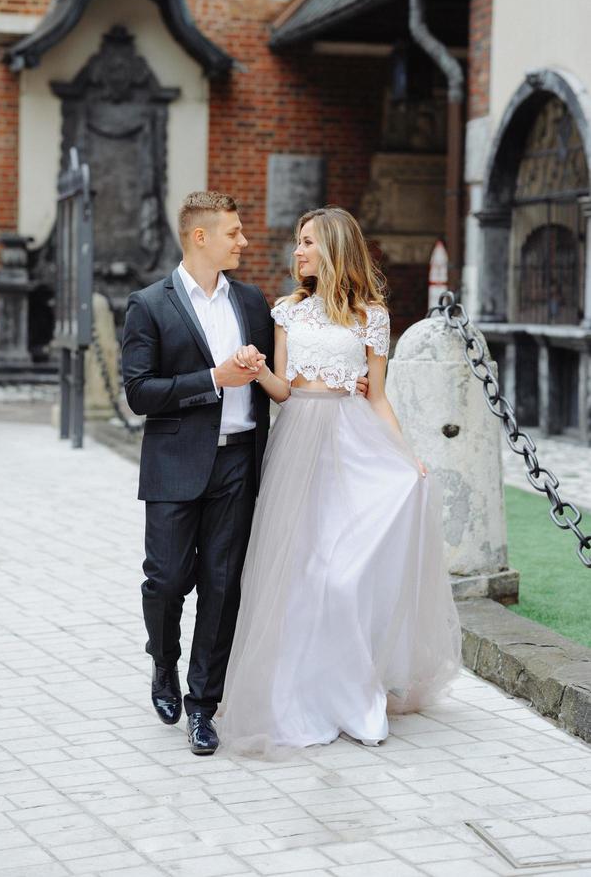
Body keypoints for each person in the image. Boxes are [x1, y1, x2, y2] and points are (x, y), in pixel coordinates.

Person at [121, 191, 370, 756]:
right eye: (234, 232)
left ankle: (203, 705)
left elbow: (289, 376)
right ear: (200, 237)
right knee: (165, 580)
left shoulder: (256, 303)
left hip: (240, 461)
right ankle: (164, 662)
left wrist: (344, 385)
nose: (246, 241)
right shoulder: (149, 305)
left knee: (223, 584)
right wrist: (213, 378)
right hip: (175, 465)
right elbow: (139, 393)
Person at [216, 206, 461, 757]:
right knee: (299, 574)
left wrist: (407, 457)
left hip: (354, 446)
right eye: (297, 243)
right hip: (299, 442)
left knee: (345, 576)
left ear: (333, 247)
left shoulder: (371, 316)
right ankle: (298, 697)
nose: (296, 251)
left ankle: (353, 694)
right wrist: (258, 371)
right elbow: (282, 392)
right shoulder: (287, 312)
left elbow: (376, 397)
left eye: (307, 242)